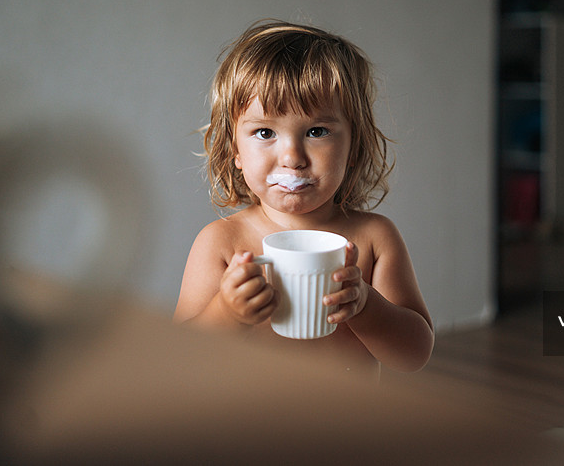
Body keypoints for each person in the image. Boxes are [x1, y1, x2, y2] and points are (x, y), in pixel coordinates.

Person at [174, 20, 434, 377]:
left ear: (353, 146)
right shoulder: (222, 243)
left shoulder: (375, 238)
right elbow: (182, 357)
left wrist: (366, 307)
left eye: (316, 131)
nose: (292, 156)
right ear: (235, 149)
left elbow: (414, 355)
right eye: (264, 132)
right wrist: (227, 312)